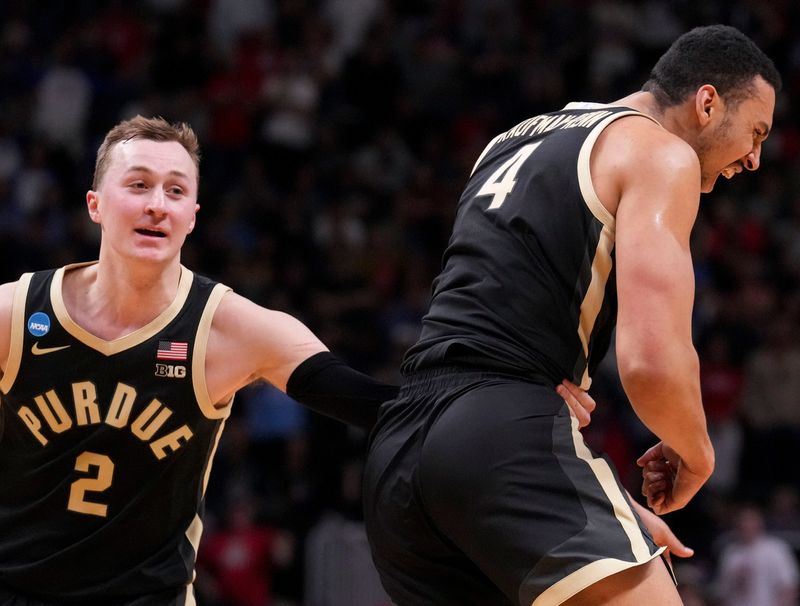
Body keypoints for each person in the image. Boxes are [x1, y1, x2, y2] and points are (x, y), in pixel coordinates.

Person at [363, 24, 780, 606]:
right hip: (502, 433)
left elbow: (485, 312)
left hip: (401, 455)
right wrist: (696, 452)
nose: (756, 159)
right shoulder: (661, 152)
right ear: (707, 103)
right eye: (755, 132)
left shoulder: (510, 140)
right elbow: (651, 363)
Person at [0, 115, 407, 605]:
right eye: (138, 185)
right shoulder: (16, 314)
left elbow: (377, 405)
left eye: (175, 191)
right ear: (95, 204)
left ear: (192, 215)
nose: (156, 205)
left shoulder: (228, 329)